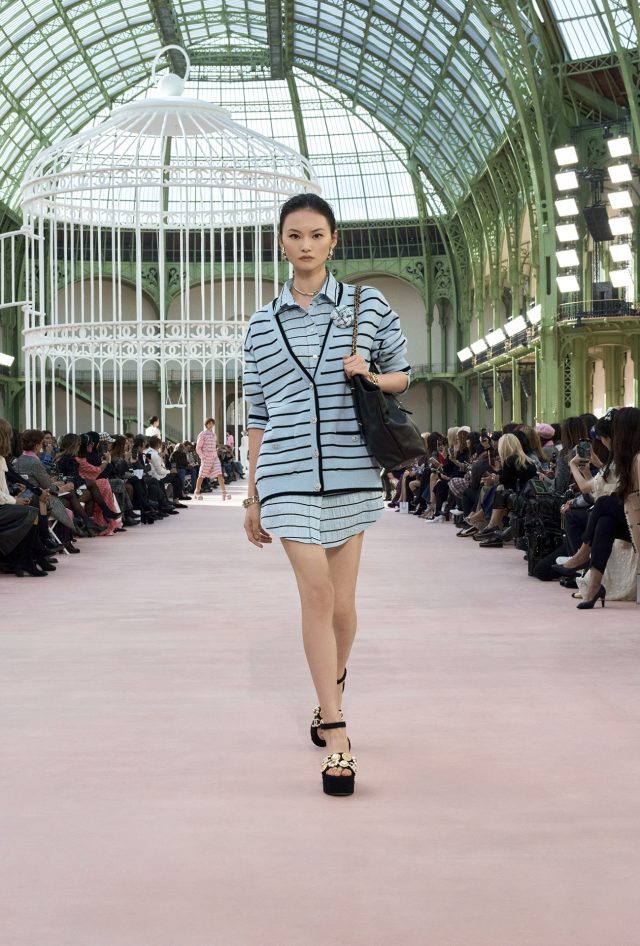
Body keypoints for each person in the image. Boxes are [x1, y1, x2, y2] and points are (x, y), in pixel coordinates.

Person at [242, 193, 411, 796]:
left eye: (316, 234)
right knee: (316, 593)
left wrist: (369, 374)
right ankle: (337, 732)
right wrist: (252, 495)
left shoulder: (368, 306)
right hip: (285, 475)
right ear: (281, 243)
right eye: (295, 235)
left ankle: (329, 690)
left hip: (350, 470)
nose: (306, 245)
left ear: (333, 240)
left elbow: (403, 375)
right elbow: (257, 415)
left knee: (342, 604)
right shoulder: (261, 325)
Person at [194, 418, 229, 500]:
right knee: (201, 475)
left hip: (214, 458)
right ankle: (197, 492)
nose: (211, 425)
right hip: (206, 458)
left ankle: (224, 492)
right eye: (209, 423)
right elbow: (198, 447)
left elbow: (214, 446)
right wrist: (203, 457)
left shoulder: (214, 435)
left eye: (212, 423)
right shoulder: (202, 434)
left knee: (219, 473)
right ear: (206, 425)